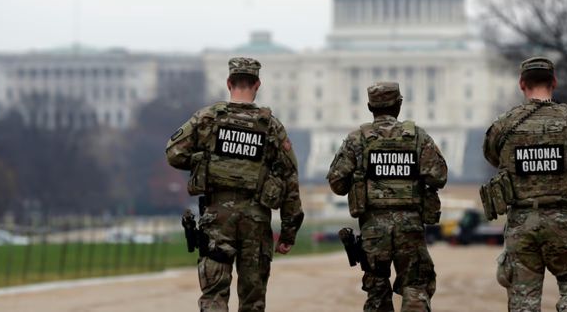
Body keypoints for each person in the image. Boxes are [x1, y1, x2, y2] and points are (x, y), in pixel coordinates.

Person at [482, 57, 567, 312]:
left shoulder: (504, 127)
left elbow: (493, 157)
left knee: (523, 302)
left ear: (521, 84)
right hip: (565, 221)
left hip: (522, 224)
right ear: (554, 82)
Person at [165, 57, 304, 312]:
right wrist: (288, 232)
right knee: (253, 301)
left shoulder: (207, 118)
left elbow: (174, 153)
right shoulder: (271, 127)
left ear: (229, 83)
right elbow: (289, 178)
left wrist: (205, 161)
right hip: (256, 221)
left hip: (217, 218)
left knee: (214, 294)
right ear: (258, 84)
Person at [327, 82, 448, 312]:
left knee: (377, 289)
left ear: (369, 106)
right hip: (410, 226)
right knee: (415, 286)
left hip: (374, 228)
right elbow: (439, 177)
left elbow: (337, 183)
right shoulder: (417, 137)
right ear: (399, 105)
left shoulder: (357, 140)